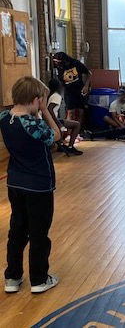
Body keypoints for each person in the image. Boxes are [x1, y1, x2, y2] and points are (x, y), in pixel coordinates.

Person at [0, 77, 62, 294]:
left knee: (17, 230)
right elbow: (56, 135)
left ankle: (13, 277)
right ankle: (39, 278)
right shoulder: (33, 124)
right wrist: (45, 111)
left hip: (15, 183)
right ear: (36, 99)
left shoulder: (4, 118)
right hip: (39, 185)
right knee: (38, 233)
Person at [52, 52, 91, 124]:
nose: (57, 64)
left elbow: (88, 73)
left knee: (80, 112)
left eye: (58, 62)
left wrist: (86, 86)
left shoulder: (75, 63)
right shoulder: (59, 68)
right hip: (69, 92)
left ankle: (78, 131)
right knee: (70, 112)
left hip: (79, 90)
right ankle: (69, 131)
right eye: (55, 62)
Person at [47, 79, 83, 156]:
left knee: (69, 126)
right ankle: (70, 147)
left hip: (50, 119)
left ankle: (63, 145)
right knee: (77, 125)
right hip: (51, 120)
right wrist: (58, 123)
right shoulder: (57, 96)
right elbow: (50, 109)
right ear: (59, 87)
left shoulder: (51, 95)